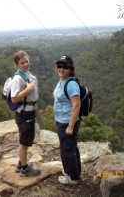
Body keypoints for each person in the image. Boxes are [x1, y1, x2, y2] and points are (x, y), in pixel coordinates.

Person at [10, 50, 40, 177]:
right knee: (24, 142)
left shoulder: (26, 74)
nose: (26, 64)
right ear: (17, 65)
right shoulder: (18, 78)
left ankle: (20, 163)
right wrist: (28, 89)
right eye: (22, 63)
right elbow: (14, 98)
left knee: (26, 140)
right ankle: (24, 168)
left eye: (27, 61)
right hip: (24, 115)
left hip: (29, 113)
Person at [53, 55, 81, 185]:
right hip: (62, 120)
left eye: (64, 66)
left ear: (70, 69)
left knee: (67, 150)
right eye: (59, 66)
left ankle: (72, 177)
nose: (61, 69)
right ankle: (74, 172)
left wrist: (70, 126)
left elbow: (76, 105)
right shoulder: (62, 81)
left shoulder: (71, 84)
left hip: (67, 122)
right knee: (71, 148)